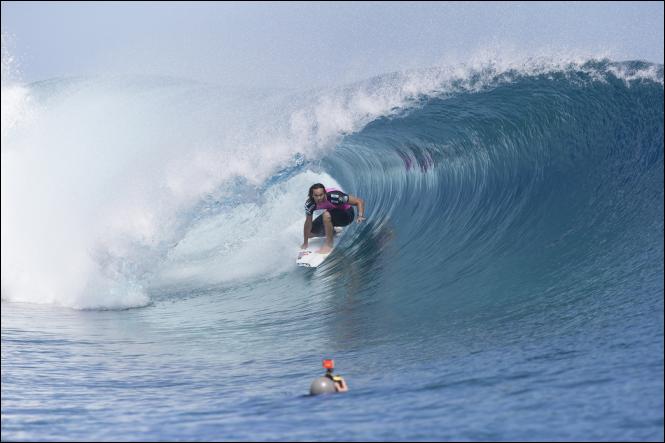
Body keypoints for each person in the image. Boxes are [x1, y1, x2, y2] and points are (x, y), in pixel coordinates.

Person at [301, 183, 365, 254]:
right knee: (310, 233)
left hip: (347, 215)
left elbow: (359, 201)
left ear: (325, 193)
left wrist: (360, 216)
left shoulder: (335, 196)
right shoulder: (310, 204)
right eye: (316, 196)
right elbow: (308, 223)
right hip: (332, 213)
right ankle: (334, 232)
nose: (319, 198)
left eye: (321, 195)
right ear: (312, 195)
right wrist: (305, 242)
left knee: (326, 215)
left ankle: (328, 245)